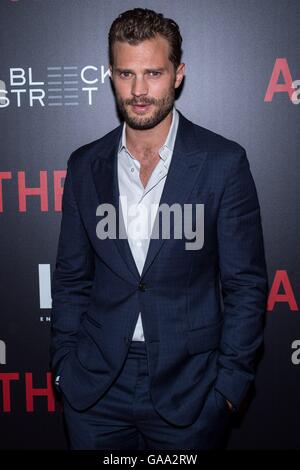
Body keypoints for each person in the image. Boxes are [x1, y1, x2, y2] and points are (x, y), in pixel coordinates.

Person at [50, 7, 268, 450]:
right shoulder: (84, 165)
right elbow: (72, 279)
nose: (139, 90)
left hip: (190, 389)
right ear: (110, 75)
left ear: (178, 74)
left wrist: (227, 389)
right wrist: (63, 367)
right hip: (94, 390)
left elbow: (246, 285)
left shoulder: (223, 163)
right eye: (127, 74)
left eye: (153, 73)